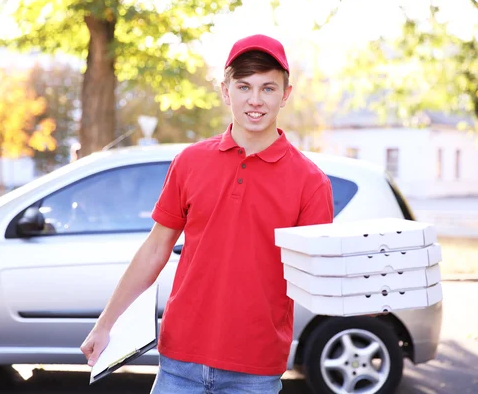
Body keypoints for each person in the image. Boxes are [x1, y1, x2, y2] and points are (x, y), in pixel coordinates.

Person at [80, 34, 334, 394]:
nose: (255, 100)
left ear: (286, 94)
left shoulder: (311, 183)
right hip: (179, 363)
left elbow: (318, 275)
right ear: (225, 90)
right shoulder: (190, 162)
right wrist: (105, 323)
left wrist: (364, 298)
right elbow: (155, 249)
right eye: (244, 86)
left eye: (268, 88)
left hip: (255, 371)